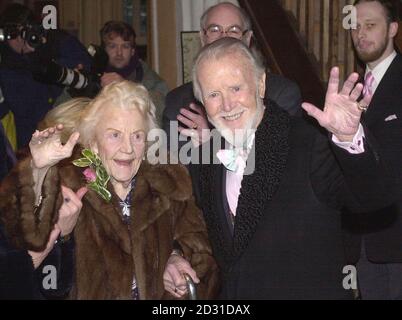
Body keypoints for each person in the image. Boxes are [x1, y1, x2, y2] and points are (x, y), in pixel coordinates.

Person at [188, 37, 394, 299]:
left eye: (236, 88)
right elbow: (200, 234)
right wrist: (177, 256)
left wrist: (348, 139)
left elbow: (374, 198)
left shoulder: (308, 143)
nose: (227, 105)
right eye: (214, 94)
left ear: (261, 85)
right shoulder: (204, 160)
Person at [0, 80, 219, 300]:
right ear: (94, 142)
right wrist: (37, 172)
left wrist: (176, 255)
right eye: (114, 135)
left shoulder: (169, 185)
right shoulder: (68, 185)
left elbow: (203, 251)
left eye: (137, 136)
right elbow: (30, 263)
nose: (127, 148)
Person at [162, 2, 302, 151]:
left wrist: (213, 145)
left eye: (234, 30)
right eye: (214, 29)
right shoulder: (177, 103)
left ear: (247, 38)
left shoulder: (281, 93)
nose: (224, 36)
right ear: (202, 38)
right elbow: (173, 171)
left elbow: (283, 157)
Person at [342, 0, 402, 300]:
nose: (360, 33)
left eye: (370, 25)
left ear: (392, 28)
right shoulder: (349, 90)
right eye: (354, 25)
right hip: (363, 243)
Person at [0, 3, 91, 149]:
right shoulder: (6, 62)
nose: (19, 40)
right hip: (32, 140)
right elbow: (25, 108)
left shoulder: (56, 41)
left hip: (70, 132)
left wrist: (45, 56)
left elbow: (86, 66)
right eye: (12, 33)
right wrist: (49, 75)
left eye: (24, 32)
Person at [99, 21, 169, 125]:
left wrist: (127, 87)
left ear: (132, 51)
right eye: (112, 46)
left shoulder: (149, 79)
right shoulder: (93, 74)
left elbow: (162, 110)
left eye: (125, 46)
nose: (119, 53)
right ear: (104, 49)